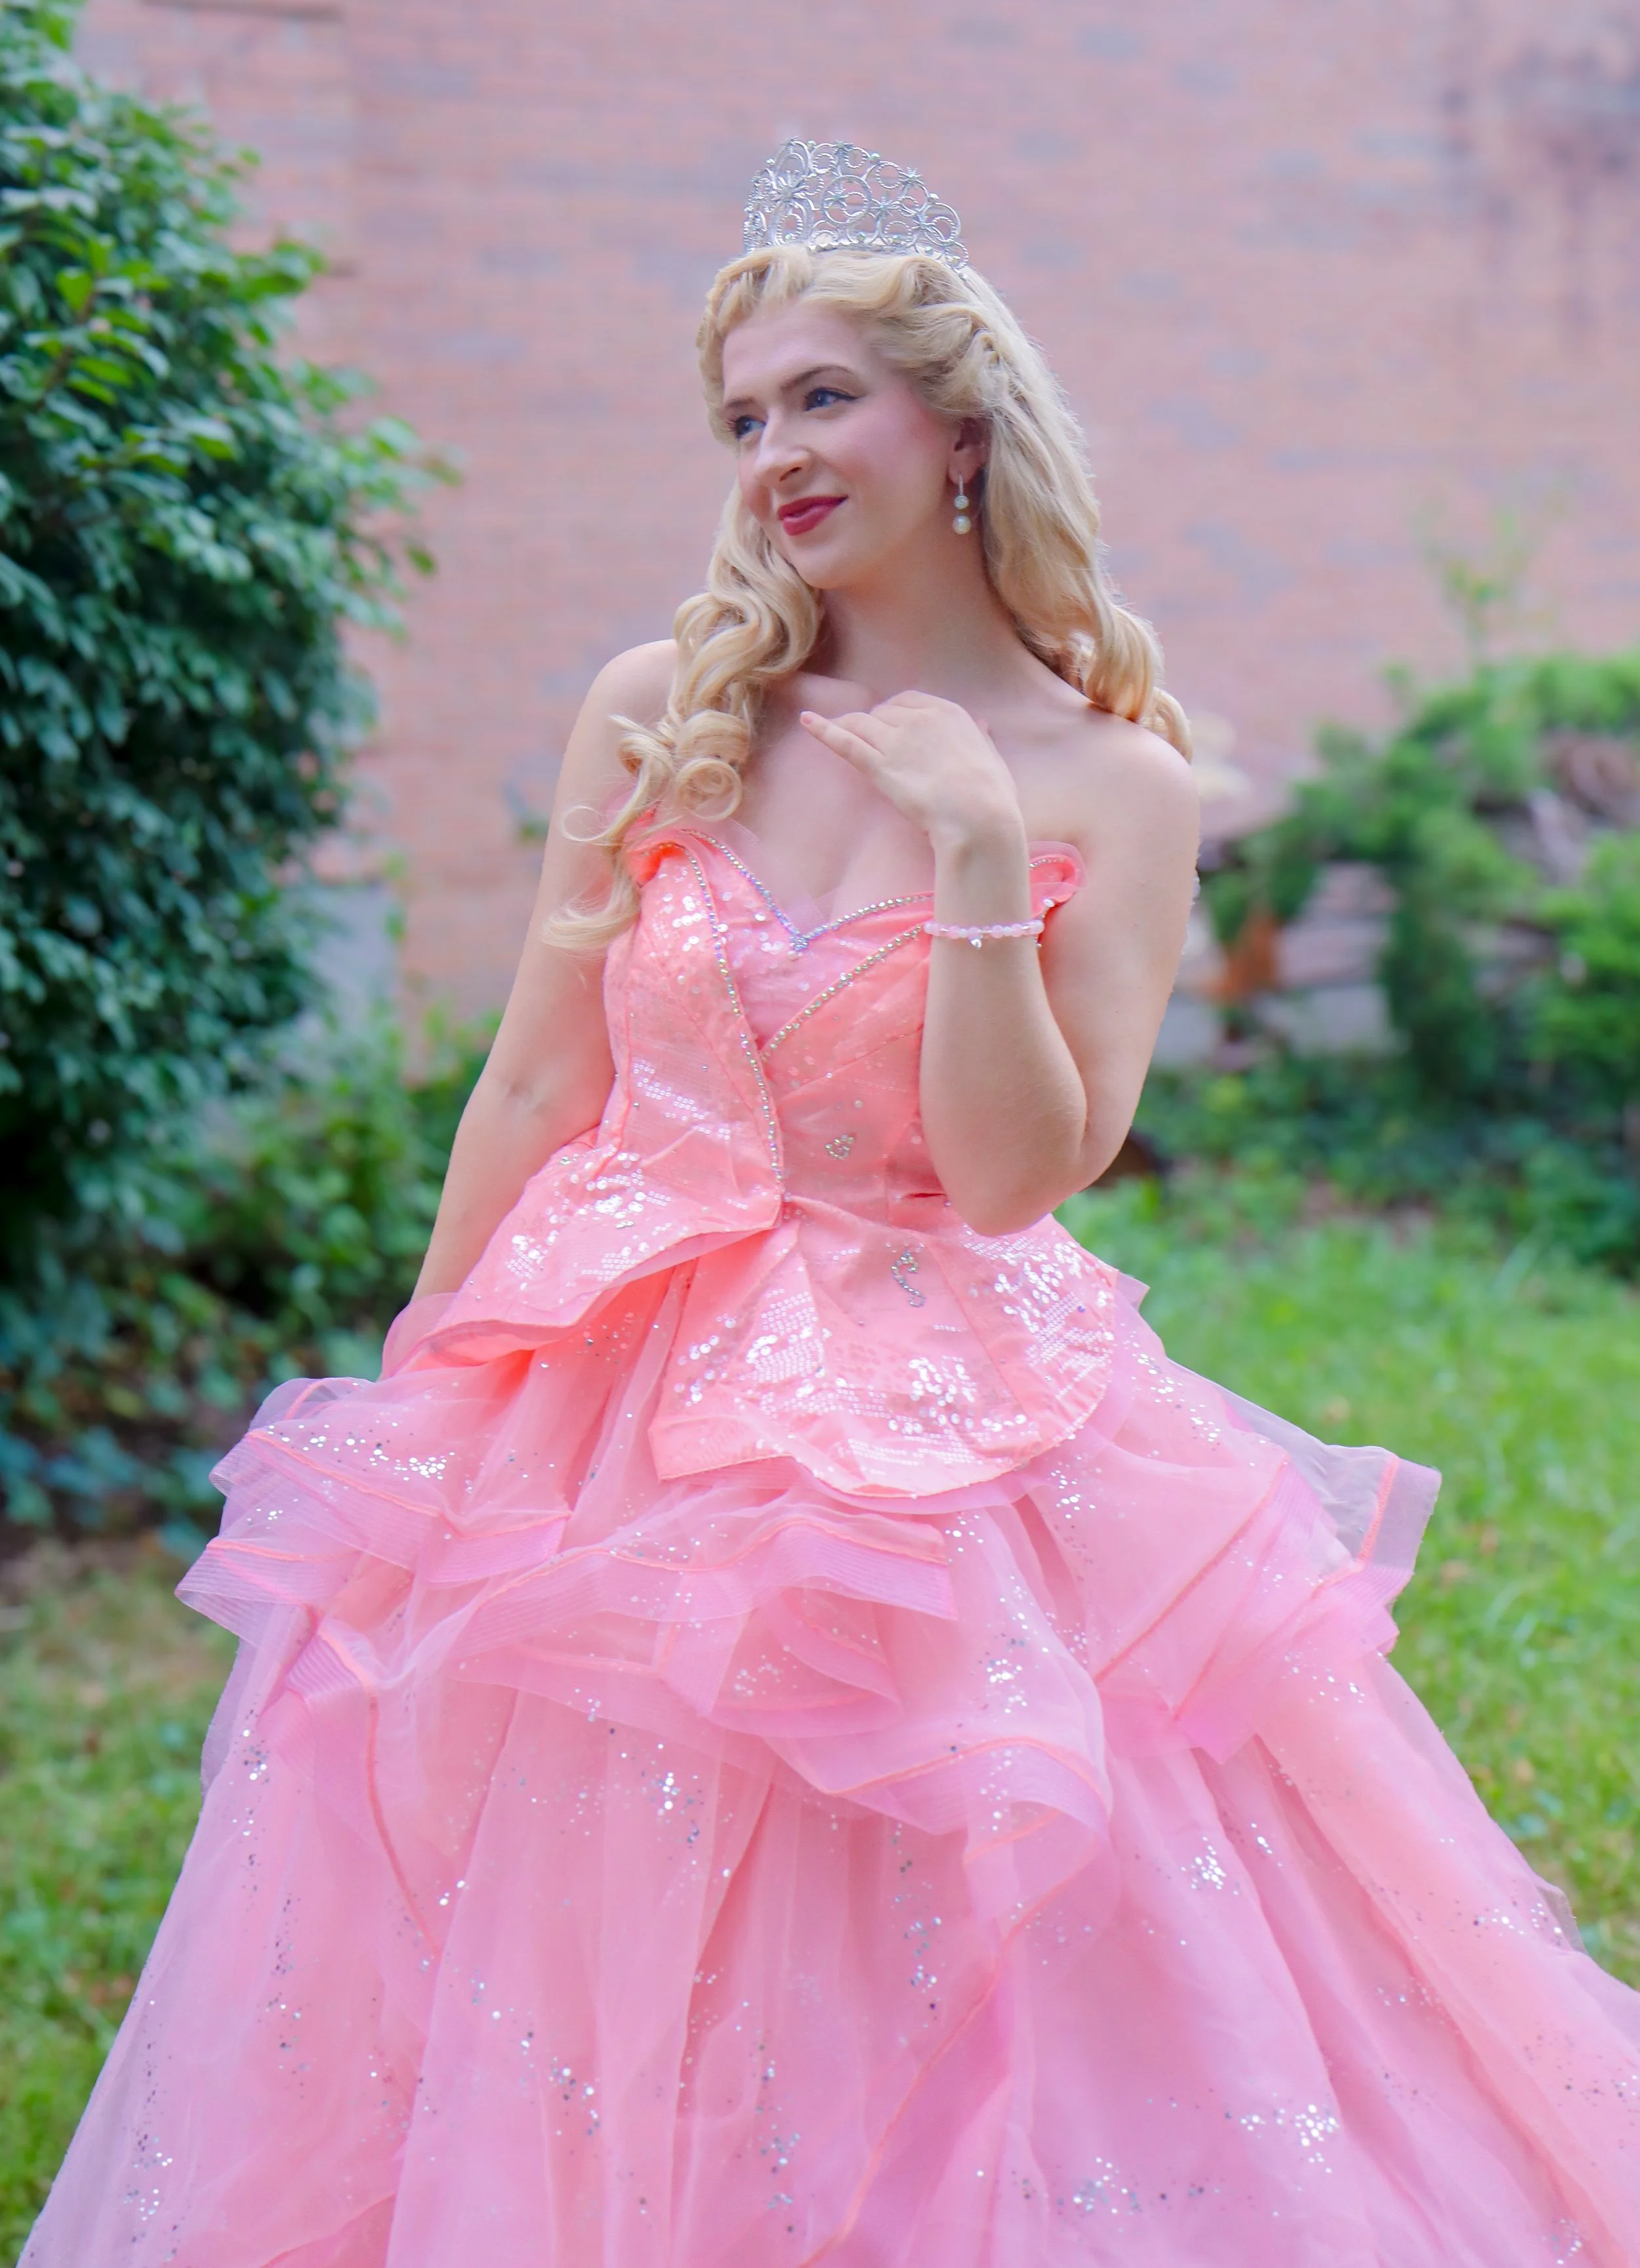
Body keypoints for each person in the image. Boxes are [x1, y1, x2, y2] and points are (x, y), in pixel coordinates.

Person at [24, 140, 1640, 2268]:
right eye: (740, 417)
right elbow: (539, 1077)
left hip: (946, 1412)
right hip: (610, 1384)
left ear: (958, 430)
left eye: (819, 397)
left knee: (948, 1872)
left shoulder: (1111, 780)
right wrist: (427, 1390)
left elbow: (1018, 1172)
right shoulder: (661, 709)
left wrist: (974, 852)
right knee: (581, 1892)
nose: (772, 450)